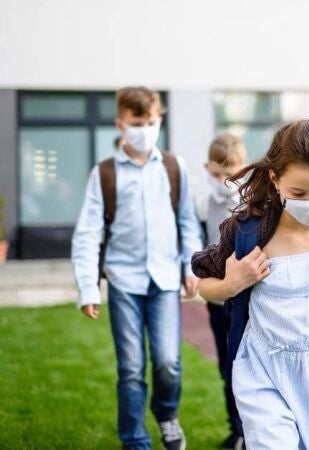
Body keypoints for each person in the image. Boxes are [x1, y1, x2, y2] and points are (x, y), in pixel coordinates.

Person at [191, 117, 309, 450]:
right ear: (275, 179)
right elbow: (203, 284)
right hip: (261, 370)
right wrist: (231, 284)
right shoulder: (247, 231)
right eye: (298, 193)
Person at [71, 86, 203, 450]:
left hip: (165, 279)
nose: (145, 129)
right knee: (130, 368)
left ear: (159, 120)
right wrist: (87, 287)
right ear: (120, 124)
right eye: (137, 123)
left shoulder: (174, 168)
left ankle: (167, 414)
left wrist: (192, 266)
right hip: (123, 281)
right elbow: (87, 234)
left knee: (167, 361)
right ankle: (135, 441)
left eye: (150, 122)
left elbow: (188, 223)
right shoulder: (104, 174)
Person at [203, 133, 248, 449]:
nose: (223, 182)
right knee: (227, 365)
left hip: (245, 298)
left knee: (246, 365)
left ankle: (252, 429)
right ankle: (237, 428)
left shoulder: (251, 204)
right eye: (217, 174)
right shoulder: (205, 203)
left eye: (229, 174)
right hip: (218, 298)